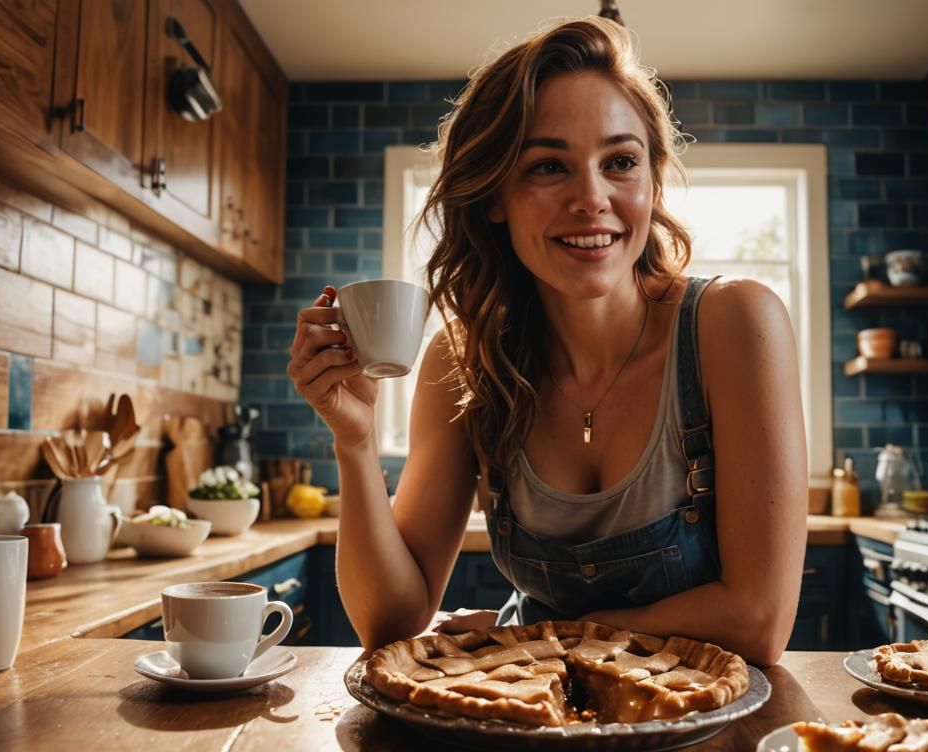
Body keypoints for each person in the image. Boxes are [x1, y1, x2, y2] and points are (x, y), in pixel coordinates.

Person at [286, 16, 807, 665]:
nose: (592, 198)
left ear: (651, 180)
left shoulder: (735, 323)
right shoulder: (463, 362)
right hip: (535, 718)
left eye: (620, 161)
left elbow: (757, 621)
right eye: (548, 166)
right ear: (496, 195)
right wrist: (355, 441)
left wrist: (533, 639)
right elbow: (391, 621)